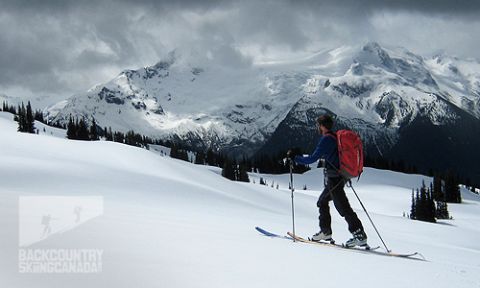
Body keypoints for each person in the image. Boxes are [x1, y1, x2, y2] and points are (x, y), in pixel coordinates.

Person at [288, 114, 367, 247]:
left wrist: (296, 158)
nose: (317, 128)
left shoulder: (326, 139)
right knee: (322, 201)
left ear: (322, 126)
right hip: (339, 177)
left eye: (318, 125)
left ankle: (359, 234)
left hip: (334, 179)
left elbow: (312, 158)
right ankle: (326, 232)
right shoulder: (335, 137)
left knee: (343, 207)